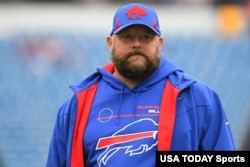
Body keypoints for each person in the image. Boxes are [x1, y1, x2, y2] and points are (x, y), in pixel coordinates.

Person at [46, 3, 235, 167]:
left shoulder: (198, 98)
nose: (136, 44)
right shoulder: (78, 105)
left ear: (159, 43)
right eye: (127, 36)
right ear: (110, 42)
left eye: (146, 37)